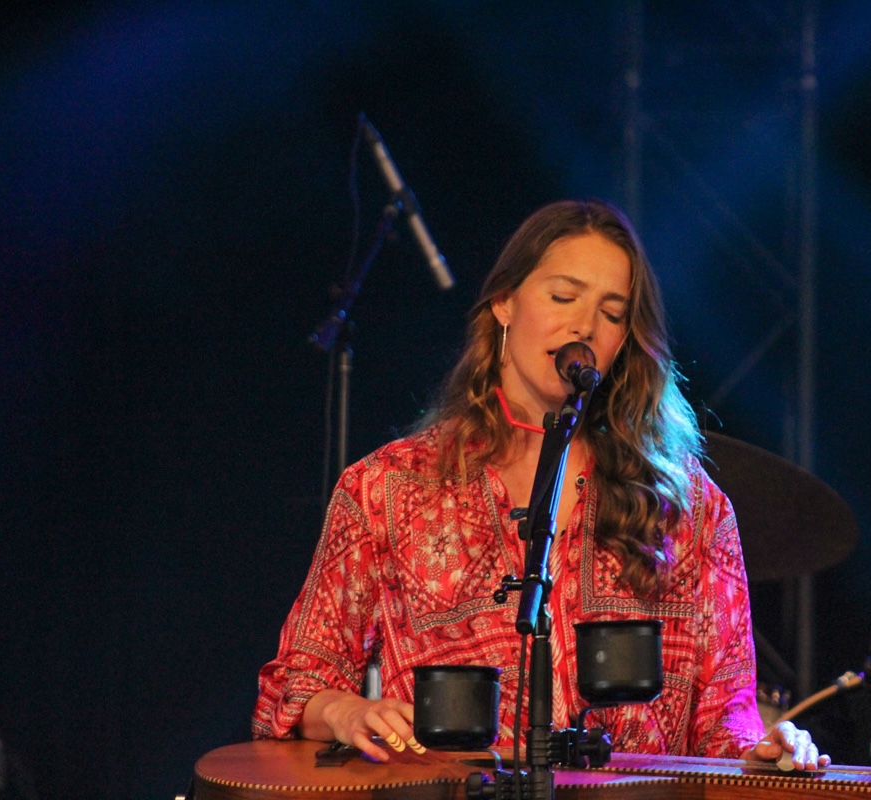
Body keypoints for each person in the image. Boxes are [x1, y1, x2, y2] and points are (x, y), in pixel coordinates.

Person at [252, 198, 828, 770]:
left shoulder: (687, 504)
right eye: (562, 297)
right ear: (504, 302)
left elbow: (726, 719)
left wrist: (766, 749)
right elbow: (297, 683)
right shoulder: (387, 487)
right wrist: (346, 711)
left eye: (612, 312)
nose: (584, 325)